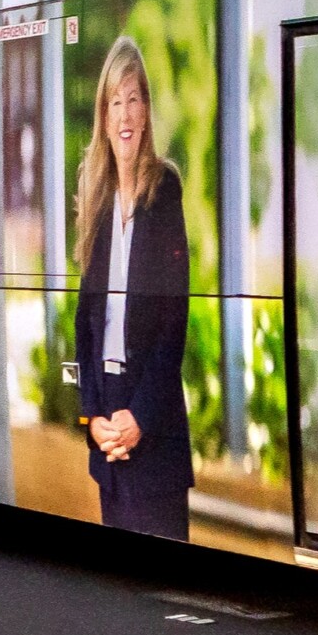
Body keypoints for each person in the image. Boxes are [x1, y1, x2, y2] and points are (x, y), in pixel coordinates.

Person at [73, 34, 193, 541]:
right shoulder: (96, 197)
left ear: (146, 112)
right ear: (104, 117)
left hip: (152, 420)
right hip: (108, 421)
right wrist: (92, 418)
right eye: (114, 102)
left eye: (134, 99)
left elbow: (173, 322)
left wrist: (139, 417)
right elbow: (85, 325)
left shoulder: (165, 189)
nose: (124, 114)